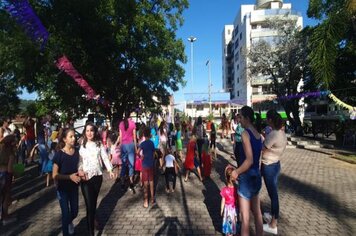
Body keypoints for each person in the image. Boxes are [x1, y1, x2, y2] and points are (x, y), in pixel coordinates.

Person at [231, 106, 263, 236]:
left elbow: (249, 160)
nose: (239, 120)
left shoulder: (245, 134)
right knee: (257, 213)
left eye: (241, 117)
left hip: (247, 177)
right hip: (256, 175)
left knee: (245, 218)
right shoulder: (258, 134)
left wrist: (236, 172)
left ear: (247, 118)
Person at [78, 122, 115, 236]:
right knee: (89, 205)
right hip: (85, 178)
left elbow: (104, 157)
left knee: (93, 203)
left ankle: (93, 219)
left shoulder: (99, 144)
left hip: (97, 177)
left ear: (95, 132)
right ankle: (91, 233)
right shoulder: (82, 144)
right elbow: (79, 160)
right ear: (85, 132)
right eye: (87, 130)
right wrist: (79, 170)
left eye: (91, 130)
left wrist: (110, 170)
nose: (89, 133)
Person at [261, 110, 287, 235]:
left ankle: (273, 224)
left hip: (269, 166)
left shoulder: (273, 134)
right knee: (273, 193)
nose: (266, 120)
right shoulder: (282, 133)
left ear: (271, 120)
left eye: (267, 118)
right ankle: (272, 214)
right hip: (276, 164)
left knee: (273, 195)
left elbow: (263, 149)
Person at [52, 128, 80, 235]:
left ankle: (68, 223)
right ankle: (65, 231)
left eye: (74, 136)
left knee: (75, 212)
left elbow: (80, 166)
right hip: (62, 189)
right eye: (71, 136)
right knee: (65, 213)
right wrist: (69, 177)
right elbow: (54, 175)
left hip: (74, 188)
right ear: (64, 139)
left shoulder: (77, 152)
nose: (74, 138)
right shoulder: (59, 154)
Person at [137, 127, 156, 208]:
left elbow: (137, 152)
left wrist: (141, 156)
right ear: (150, 135)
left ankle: (146, 201)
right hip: (151, 164)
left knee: (145, 183)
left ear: (144, 135)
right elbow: (154, 152)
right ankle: (152, 199)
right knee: (151, 182)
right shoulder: (152, 143)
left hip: (144, 165)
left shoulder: (142, 144)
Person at [0, 135, 17, 226]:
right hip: (6, 176)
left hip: (0, 174)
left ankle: (3, 216)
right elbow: (10, 169)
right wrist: (15, 173)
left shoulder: (2, 151)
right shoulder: (11, 154)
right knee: (6, 198)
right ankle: (5, 217)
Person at [118, 111, 137, 191]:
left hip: (124, 146)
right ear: (130, 115)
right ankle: (131, 183)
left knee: (124, 164)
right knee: (131, 165)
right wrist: (136, 147)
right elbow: (135, 137)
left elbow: (120, 136)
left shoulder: (121, 124)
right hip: (131, 145)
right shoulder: (133, 123)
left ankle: (122, 183)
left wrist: (120, 147)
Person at [221, 167, 239, 236]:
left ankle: (228, 233)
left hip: (227, 210)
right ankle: (231, 232)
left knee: (228, 222)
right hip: (234, 209)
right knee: (233, 222)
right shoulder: (236, 190)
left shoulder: (224, 190)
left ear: (226, 178)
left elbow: (223, 201)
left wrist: (221, 209)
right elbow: (237, 200)